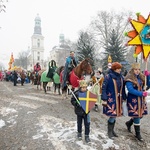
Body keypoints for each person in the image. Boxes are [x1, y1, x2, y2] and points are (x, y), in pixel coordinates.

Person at [101, 62, 126, 139]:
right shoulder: (108, 77)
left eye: (120, 68)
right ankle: (109, 131)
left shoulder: (121, 77)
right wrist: (104, 98)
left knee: (115, 115)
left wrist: (124, 97)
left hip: (118, 99)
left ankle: (112, 130)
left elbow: (123, 89)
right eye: (118, 69)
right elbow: (104, 88)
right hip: (111, 99)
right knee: (112, 115)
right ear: (114, 69)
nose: (119, 70)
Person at [124, 63, 148, 141]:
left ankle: (129, 123)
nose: (137, 71)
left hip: (141, 99)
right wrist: (141, 93)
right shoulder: (129, 78)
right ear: (132, 70)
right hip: (133, 99)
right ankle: (138, 134)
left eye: (138, 70)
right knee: (137, 116)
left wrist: (148, 76)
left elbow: (148, 85)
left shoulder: (141, 77)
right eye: (135, 69)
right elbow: (130, 90)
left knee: (140, 115)